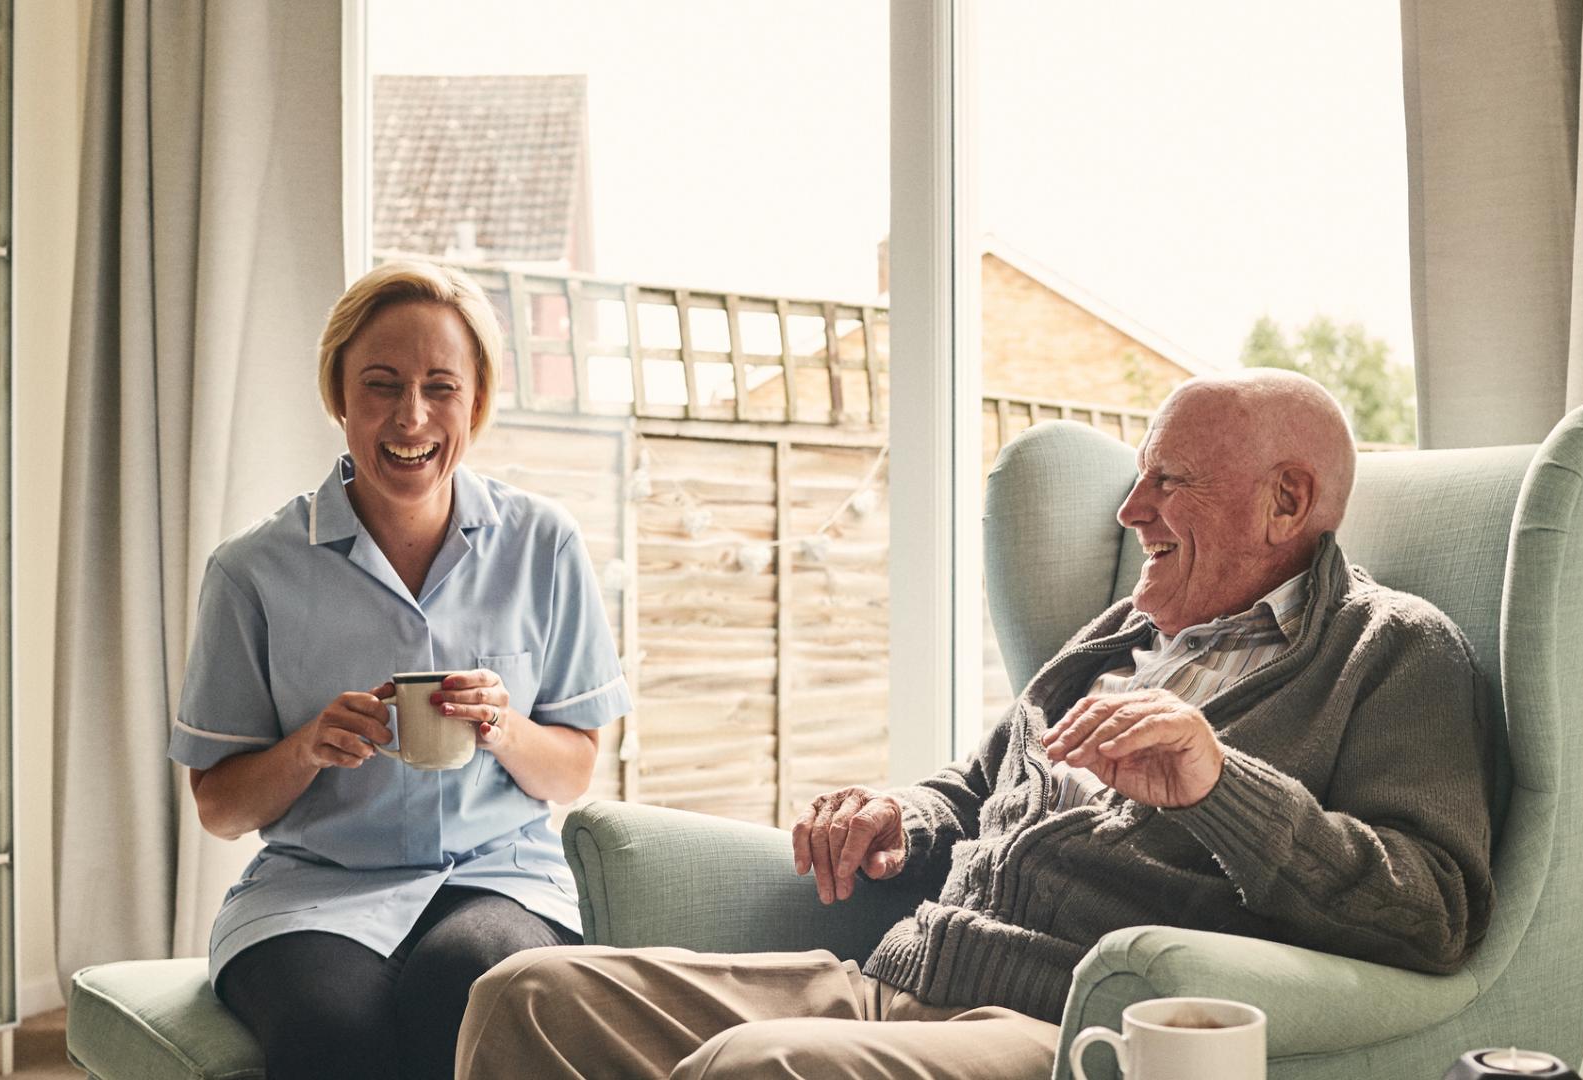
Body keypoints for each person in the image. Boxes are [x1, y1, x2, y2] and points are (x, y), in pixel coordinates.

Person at [457, 369, 1495, 1080]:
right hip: (894, 979)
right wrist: (898, 815)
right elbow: (975, 786)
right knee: (527, 995)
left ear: (1285, 500)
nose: (1129, 511)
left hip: (1058, 1023)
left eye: (1167, 480)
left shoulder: (1390, 652)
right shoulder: (1117, 633)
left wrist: (1221, 785)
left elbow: (1433, 912)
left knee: (759, 1070)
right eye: (1136, 477)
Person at [168, 261, 632, 1080]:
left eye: (440, 387)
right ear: (339, 397)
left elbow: (576, 769)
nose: (410, 416)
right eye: (380, 385)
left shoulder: (544, 545)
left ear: (476, 402)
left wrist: (502, 726)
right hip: (313, 893)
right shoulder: (252, 572)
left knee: (467, 985)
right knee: (329, 1028)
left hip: (502, 879)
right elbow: (218, 805)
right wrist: (307, 747)